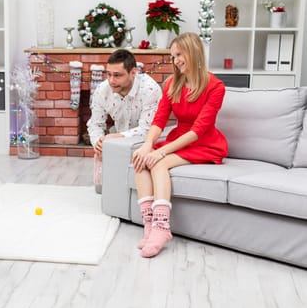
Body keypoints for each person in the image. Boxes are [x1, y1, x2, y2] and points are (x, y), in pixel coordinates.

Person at [131, 32, 228, 258]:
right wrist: (147, 145)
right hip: (178, 138)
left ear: (193, 52)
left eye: (179, 55)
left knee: (158, 164)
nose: (175, 61)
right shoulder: (173, 84)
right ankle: (149, 226)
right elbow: (159, 119)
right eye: (173, 56)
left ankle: (162, 227)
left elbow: (199, 130)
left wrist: (161, 151)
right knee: (141, 159)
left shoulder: (216, 86)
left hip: (204, 142)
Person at [87, 49, 162, 193]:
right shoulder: (102, 90)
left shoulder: (150, 89)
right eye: (108, 74)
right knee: (102, 191)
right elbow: (95, 123)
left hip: (146, 144)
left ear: (133, 72)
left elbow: (147, 130)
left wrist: (114, 137)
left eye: (117, 75)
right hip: (116, 143)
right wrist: (98, 143)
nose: (111, 81)